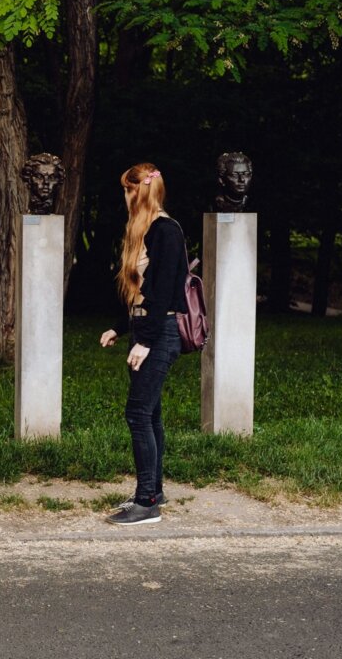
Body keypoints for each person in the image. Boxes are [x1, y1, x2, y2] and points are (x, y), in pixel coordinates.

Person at [99, 163, 189, 526]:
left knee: (137, 413)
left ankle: (146, 502)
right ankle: (155, 489)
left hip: (160, 332)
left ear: (141, 191)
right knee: (150, 413)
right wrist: (121, 329)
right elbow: (143, 291)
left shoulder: (165, 231)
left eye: (127, 189)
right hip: (146, 329)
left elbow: (164, 291)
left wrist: (146, 341)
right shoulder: (147, 230)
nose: (124, 196)